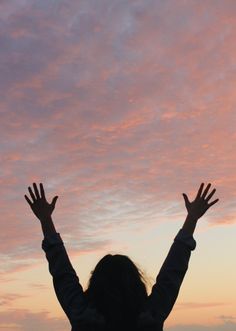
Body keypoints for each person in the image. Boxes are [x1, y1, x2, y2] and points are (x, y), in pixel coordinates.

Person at [24, 182, 218, 331]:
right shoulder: (150, 316)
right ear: (136, 282)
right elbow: (172, 275)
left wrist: (46, 220)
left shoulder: (82, 316)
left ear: (96, 283)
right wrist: (191, 219)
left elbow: (62, 273)